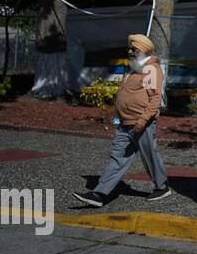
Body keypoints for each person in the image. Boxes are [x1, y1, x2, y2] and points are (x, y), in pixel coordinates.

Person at [73, 34, 172, 206]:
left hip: (142, 123)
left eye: (134, 49)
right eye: (130, 48)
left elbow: (155, 99)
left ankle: (162, 187)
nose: (130, 51)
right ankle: (99, 194)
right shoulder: (133, 67)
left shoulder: (150, 69)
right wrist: (118, 118)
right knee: (117, 158)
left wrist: (142, 121)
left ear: (143, 49)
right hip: (124, 123)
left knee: (150, 156)